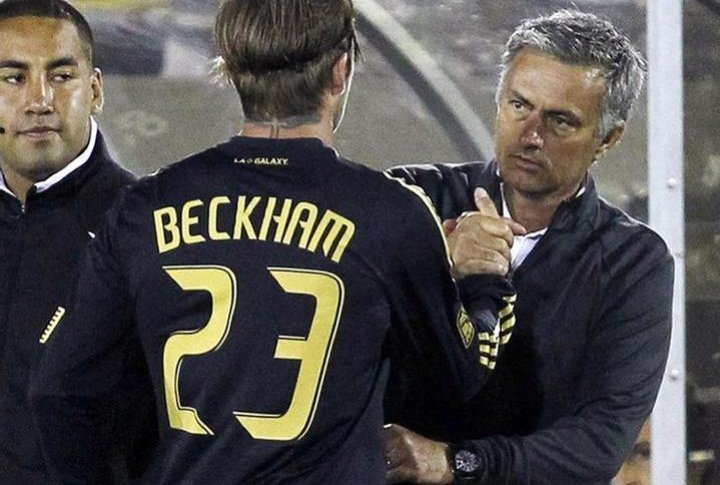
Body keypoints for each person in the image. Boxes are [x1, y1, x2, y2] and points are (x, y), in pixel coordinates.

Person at [30, 0, 516, 483]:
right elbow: (461, 378)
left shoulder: (142, 209)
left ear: (231, 69)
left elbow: (57, 394)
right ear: (341, 72)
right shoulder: (392, 215)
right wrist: (481, 282)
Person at [383, 9, 674, 484]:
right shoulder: (412, 200)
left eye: (560, 121)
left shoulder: (633, 263)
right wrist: (439, 264)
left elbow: (599, 442)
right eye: (519, 106)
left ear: (607, 139)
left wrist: (457, 462)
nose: (531, 135)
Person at [0, 1, 149, 483]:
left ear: (96, 90)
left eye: (61, 76)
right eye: (13, 78)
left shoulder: (144, 228)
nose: (39, 99)